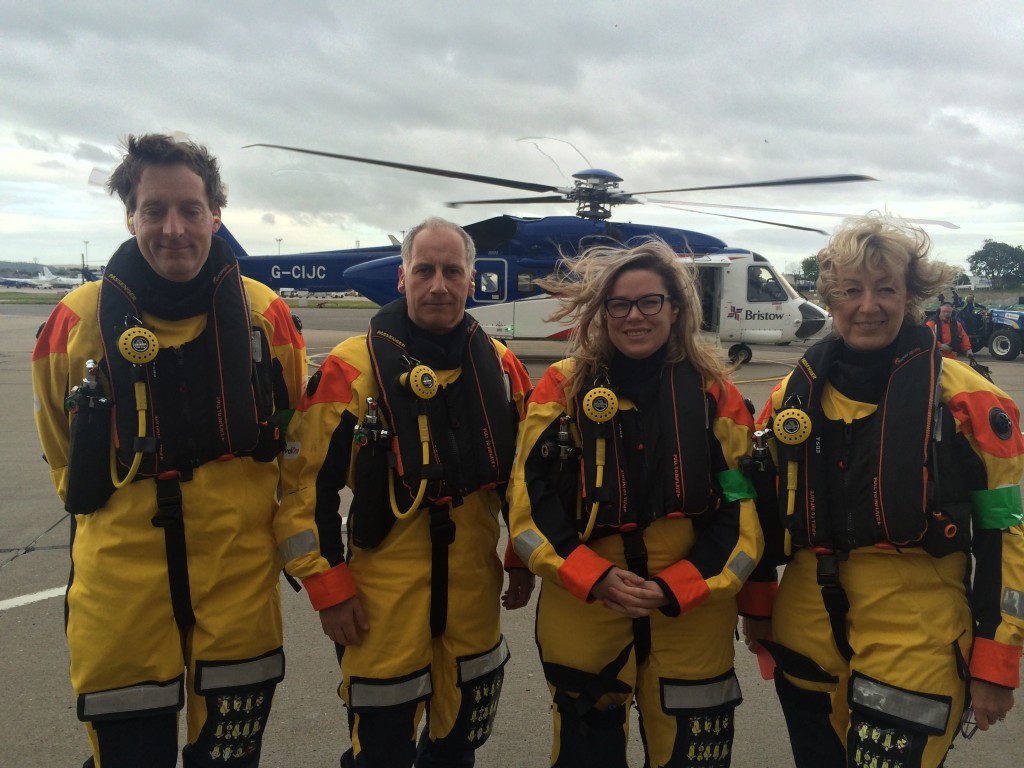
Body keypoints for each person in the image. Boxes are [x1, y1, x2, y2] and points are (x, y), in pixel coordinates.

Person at [31, 134, 322, 766]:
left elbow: (294, 439)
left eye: (190, 209)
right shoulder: (75, 323)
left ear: (216, 215)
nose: (174, 228)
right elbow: (61, 449)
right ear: (129, 216)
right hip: (121, 591)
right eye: (154, 210)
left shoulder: (265, 317)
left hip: (238, 583)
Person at [744, 215, 1024, 768]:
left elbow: (1006, 532)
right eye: (850, 290)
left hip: (916, 634)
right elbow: (758, 507)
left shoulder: (972, 402)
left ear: (911, 295)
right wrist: (757, 609)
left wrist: (997, 660)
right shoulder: (789, 397)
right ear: (830, 298)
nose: (867, 305)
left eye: (885, 289)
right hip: (805, 629)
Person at [279, 217, 534, 767]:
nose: (438, 285)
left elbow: (526, 481)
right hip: (379, 605)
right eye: (425, 270)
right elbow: (303, 491)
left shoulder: (502, 365)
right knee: (379, 753)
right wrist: (329, 590)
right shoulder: (351, 368)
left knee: (458, 748)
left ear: (471, 280)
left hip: (474, 596)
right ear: (402, 279)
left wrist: (519, 558)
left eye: (452, 271)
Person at [507, 239, 765, 768]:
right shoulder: (560, 387)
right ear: (602, 314)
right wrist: (592, 576)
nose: (635, 316)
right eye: (619, 305)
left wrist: (677, 587)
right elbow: (528, 504)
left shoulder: (717, 396)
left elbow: (743, 512)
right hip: (585, 601)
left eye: (650, 302)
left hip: (691, 609)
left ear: (676, 308)